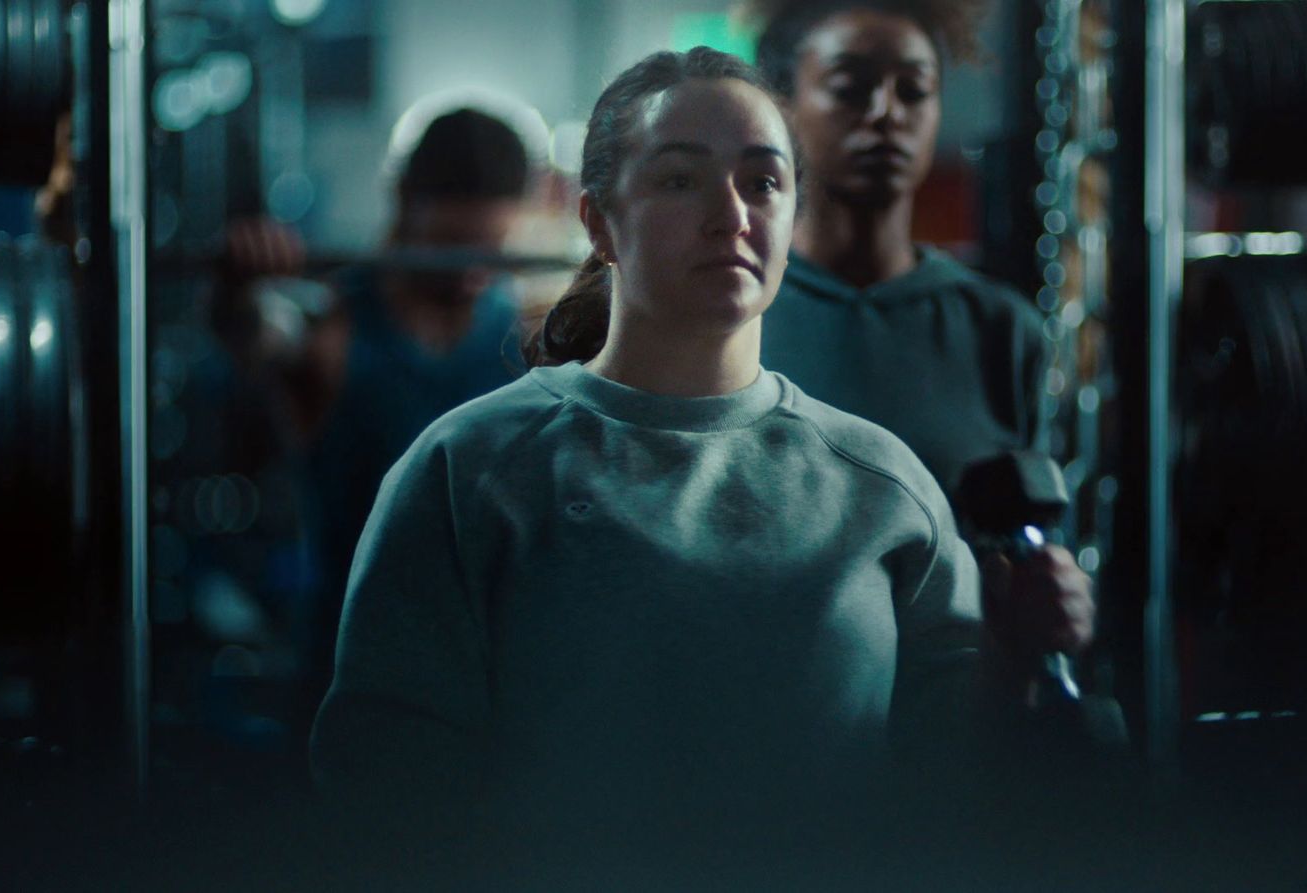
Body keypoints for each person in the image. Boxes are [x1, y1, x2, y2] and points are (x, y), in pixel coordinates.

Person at [309, 47, 1082, 869]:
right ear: (600, 222)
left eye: (764, 181)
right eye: (681, 180)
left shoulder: (884, 487)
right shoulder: (470, 469)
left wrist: (1016, 656)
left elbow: (956, 788)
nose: (732, 214)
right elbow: (383, 793)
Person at [750, 0, 1095, 661]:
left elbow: (1037, 551)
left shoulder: (999, 328)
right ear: (785, 107)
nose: (887, 113)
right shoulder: (735, 311)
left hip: (955, 728)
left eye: (915, 90)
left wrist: (1061, 603)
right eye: (851, 88)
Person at [217, 108, 533, 693]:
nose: (473, 270)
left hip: (491, 689)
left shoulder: (524, 334)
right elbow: (254, 333)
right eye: (454, 245)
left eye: (490, 245)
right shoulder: (333, 326)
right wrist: (239, 290)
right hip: (357, 685)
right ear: (403, 200)